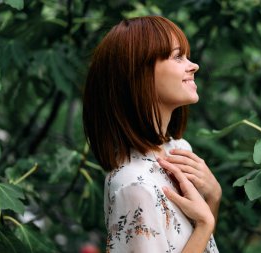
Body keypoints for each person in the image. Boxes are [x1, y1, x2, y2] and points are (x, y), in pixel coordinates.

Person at [82, 16, 222, 253]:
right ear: (140, 73)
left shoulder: (179, 151)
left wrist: (213, 198)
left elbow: (200, 245)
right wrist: (205, 223)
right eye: (178, 56)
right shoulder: (133, 185)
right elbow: (202, 232)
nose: (193, 65)